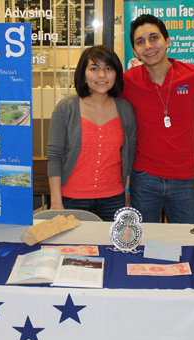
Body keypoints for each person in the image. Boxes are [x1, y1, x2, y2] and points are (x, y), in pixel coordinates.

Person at [121, 14, 194, 223]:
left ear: (167, 41)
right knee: (144, 241)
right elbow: (106, 107)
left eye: (154, 38)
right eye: (140, 41)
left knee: (186, 241)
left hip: (183, 178)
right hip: (143, 178)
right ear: (135, 51)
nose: (148, 45)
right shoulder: (128, 80)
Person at [47, 45, 137, 222]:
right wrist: (56, 202)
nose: (102, 75)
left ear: (116, 74)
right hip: (72, 200)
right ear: (83, 73)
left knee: (111, 249)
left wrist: (126, 193)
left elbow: (129, 154)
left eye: (108, 68)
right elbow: (55, 156)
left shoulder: (125, 109)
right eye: (94, 68)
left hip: (114, 200)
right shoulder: (66, 109)